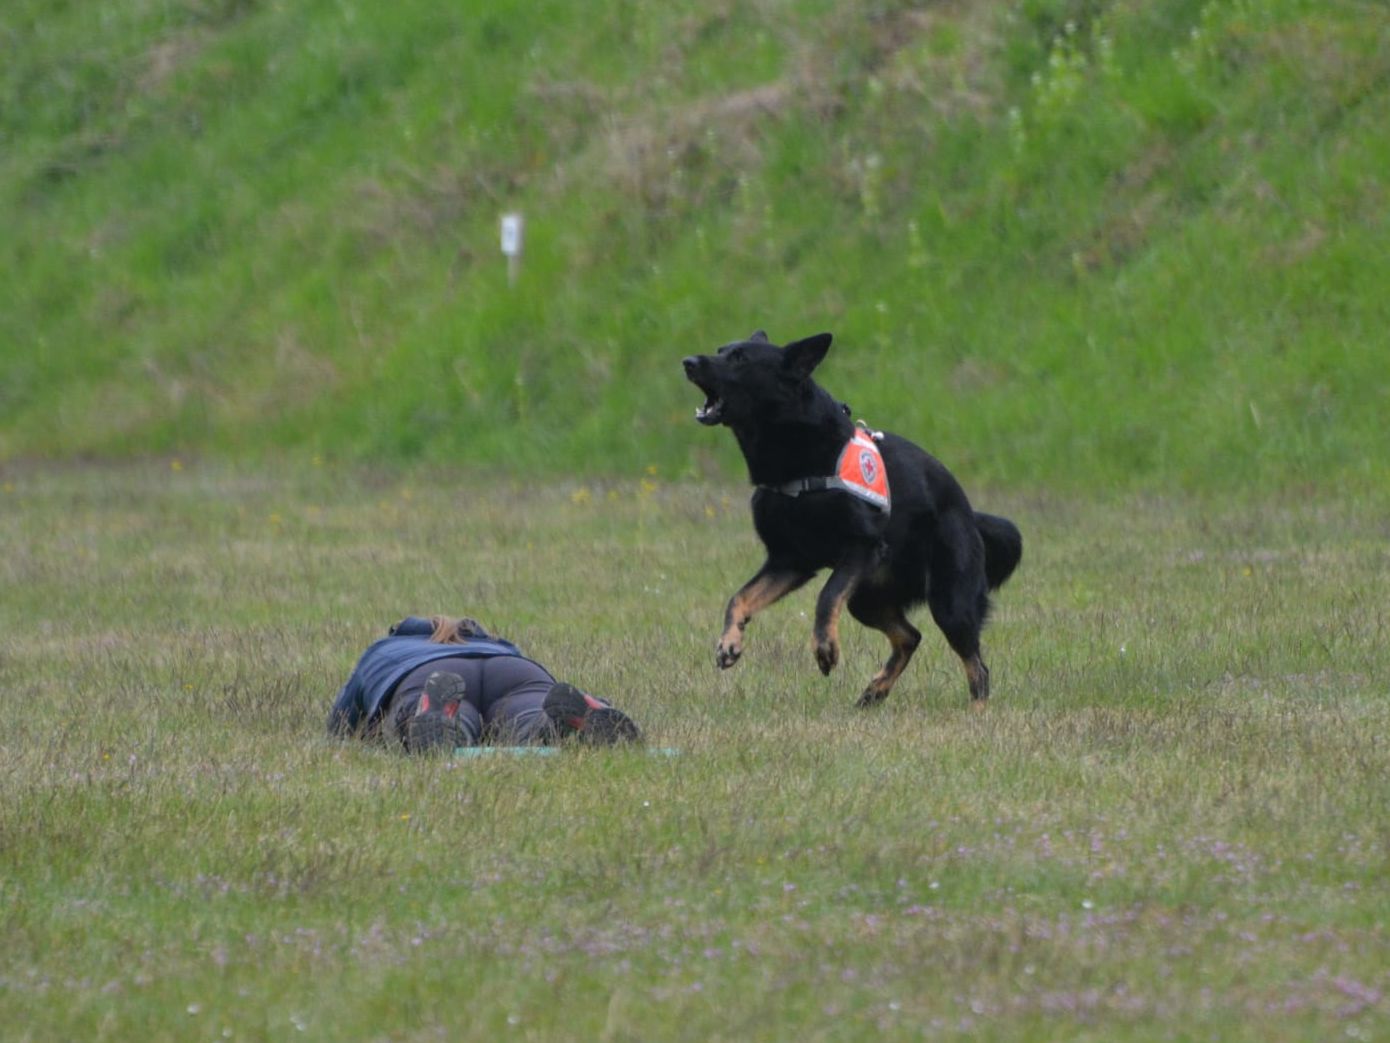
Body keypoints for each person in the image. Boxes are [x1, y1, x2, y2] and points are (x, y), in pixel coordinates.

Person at [327, 615, 640, 753]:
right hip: (513, 669)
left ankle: (439, 717)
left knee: (439, 715)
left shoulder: (387, 648)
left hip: (428, 672)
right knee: (524, 714)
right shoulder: (498, 643)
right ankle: (556, 724)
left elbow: (341, 725)